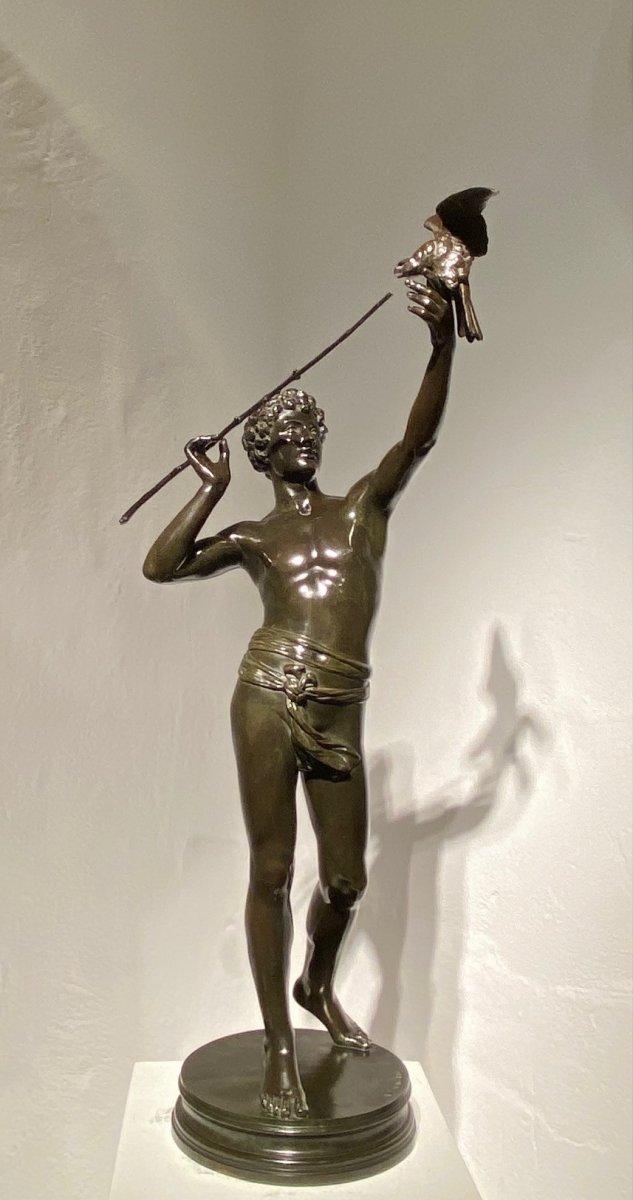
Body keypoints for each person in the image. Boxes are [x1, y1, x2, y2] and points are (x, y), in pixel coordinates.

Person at [143, 278, 455, 1119]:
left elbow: (417, 440)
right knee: (273, 870)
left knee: (346, 879)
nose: (304, 440)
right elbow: (160, 566)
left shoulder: (359, 514)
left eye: (310, 429)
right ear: (262, 452)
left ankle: (314, 984)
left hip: (338, 703)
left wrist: (438, 343)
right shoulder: (253, 536)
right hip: (266, 691)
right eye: (286, 433)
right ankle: (279, 1047)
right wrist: (206, 490)